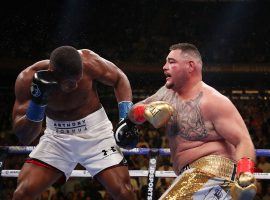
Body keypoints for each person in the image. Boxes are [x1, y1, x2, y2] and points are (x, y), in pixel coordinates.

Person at [118, 43, 257, 199]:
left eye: (171, 62)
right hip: (189, 175)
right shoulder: (167, 93)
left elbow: (243, 140)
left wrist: (245, 174)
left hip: (214, 170)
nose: (164, 67)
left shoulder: (213, 101)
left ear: (190, 66)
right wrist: (144, 111)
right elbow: (135, 110)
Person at [12, 46, 136, 200]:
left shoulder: (89, 62)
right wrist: (38, 103)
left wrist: (126, 118)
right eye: (70, 82)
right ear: (53, 73)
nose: (76, 85)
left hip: (97, 135)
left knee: (124, 192)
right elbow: (25, 137)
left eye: (78, 79)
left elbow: (119, 78)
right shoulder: (27, 79)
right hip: (56, 138)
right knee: (22, 193)